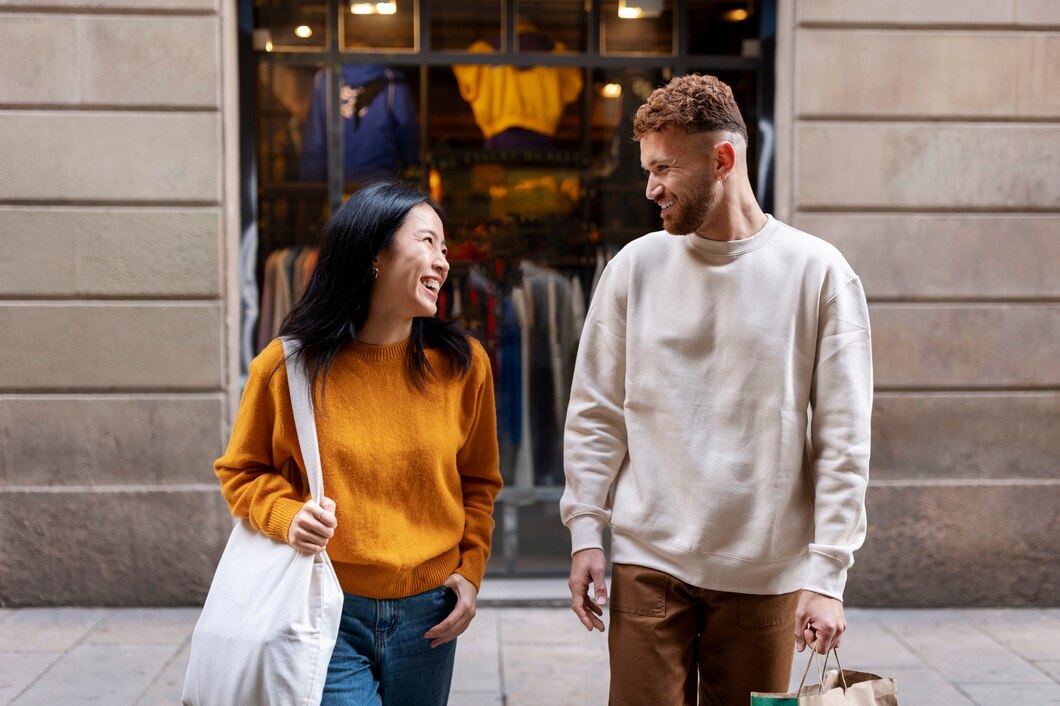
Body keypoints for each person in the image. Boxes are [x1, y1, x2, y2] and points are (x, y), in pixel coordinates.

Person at [560, 74, 872, 705]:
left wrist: (828, 575)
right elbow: (596, 413)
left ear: (722, 159)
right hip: (649, 563)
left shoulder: (818, 272)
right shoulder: (633, 268)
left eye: (664, 168)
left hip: (766, 573)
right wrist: (586, 532)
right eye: (646, 168)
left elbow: (843, 437)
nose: (650, 188)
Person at [215, 181, 503, 705]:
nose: (442, 261)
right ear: (374, 253)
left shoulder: (464, 365)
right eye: (426, 242)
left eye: (444, 248)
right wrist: (288, 515)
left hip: (430, 615)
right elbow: (242, 472)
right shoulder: (286, 367)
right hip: (324, 604)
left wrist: (470, 570)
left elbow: (479, 482)